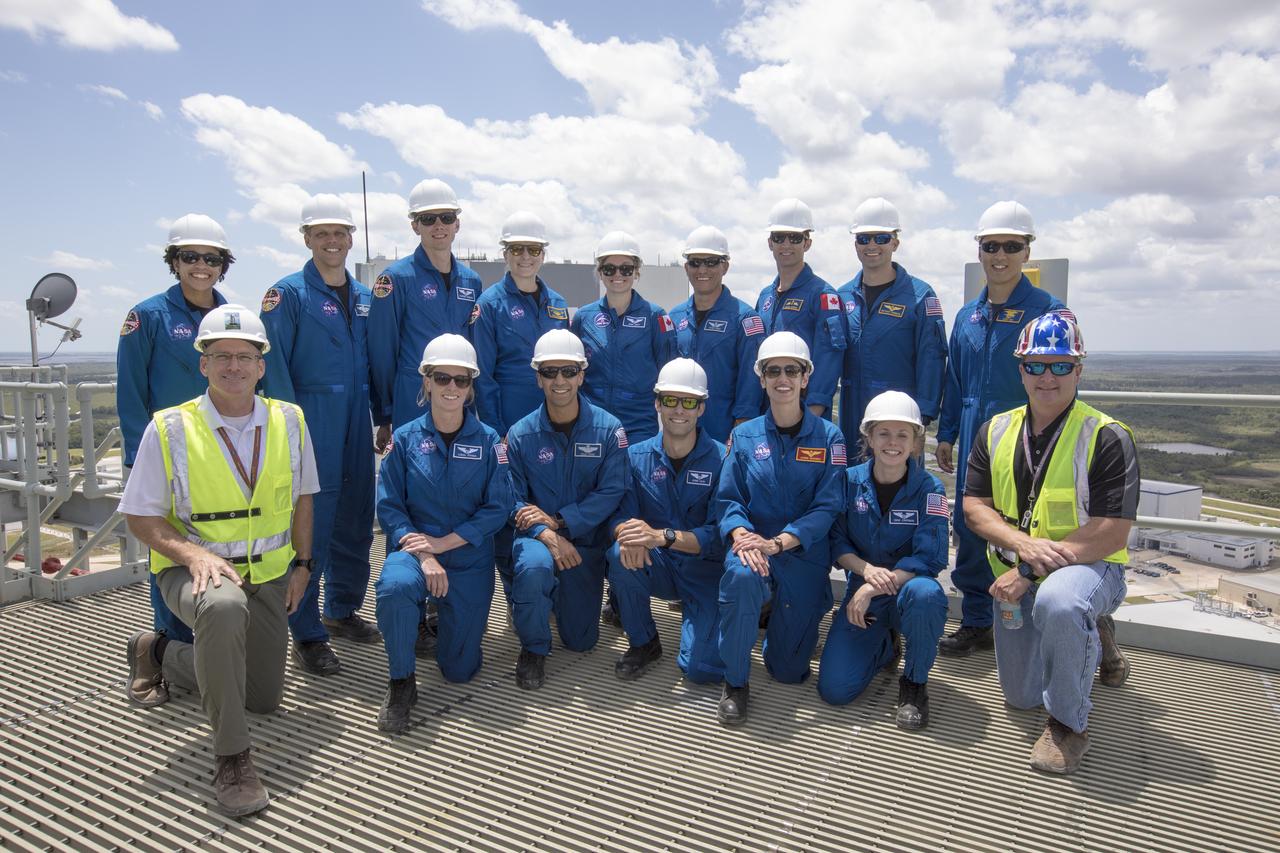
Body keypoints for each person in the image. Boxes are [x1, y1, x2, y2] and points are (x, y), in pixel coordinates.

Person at [121, 304, 319, 817]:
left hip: (270, 574)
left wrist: (302, 566)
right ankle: (233, 760)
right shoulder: (168, 429)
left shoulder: (290, 421)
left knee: (264, 698)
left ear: (262, 365)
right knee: (223, 610)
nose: (234, 366)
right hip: (195, 573)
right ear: (202, 364)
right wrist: (191, 555)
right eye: (221, 355)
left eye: (245, 356)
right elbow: (140, 518)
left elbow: (302, 499)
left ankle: (159, 652)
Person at [962, 311, 1136, 774]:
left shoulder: (1106, 437)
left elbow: (1111, 532)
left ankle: (1069, 724)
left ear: (1079, 370)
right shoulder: (996, 430)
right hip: (1020, 575)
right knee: (1020, 697)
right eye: (1036, 365)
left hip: (1089, 569)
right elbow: (974, 505)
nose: (1047, 376)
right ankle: (1093, 635)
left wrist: (1029, 568)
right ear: (1020, 369)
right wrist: (1021, 544)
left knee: (1061, 602)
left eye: (1060, 365)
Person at [935, 201, 1066, 657]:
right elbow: (954, 380)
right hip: (976, 432)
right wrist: (948, 432)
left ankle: (1037, 624)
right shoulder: (967, 316)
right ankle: (977, 622)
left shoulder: (1048, 312)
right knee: (971, 526)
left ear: (1027, 251)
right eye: (992, 246)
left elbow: (1061, 379)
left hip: (1028, 434)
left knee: (1028, 525)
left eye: (1012, 246)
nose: (1001, 255)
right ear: (980, 250)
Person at [259, 195, 378, 677]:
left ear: (351, 239)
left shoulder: (367, 298)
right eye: (322, 233)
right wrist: (290, 428)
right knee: (313, 523)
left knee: (356, 517)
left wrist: (384, 414)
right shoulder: (286, 295)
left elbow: (381, 359)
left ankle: (342, 609)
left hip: (359, 418)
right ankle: (306, 632)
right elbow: (273, 366)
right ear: (306, 238)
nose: (332, 241)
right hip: (311, 420)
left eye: (340, 233)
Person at [373, 334, 512, 732]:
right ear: (426, 381)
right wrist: (426, 554)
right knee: (395, 588)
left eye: (461, 380)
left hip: (468, 557)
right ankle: (401, 681)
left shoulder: (489, 442)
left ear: (471, 387)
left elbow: (498, 507)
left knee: (460, 671)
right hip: (415, 552)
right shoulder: (403, 440)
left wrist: (445, 544)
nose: (451, 387)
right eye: (442, 377)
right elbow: (390, 507)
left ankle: (437, 624)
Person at [716, 331, 846, 726]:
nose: (783, 378)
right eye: (774, 371)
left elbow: (828, 506)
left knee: (789, 672)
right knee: (740, 577)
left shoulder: (830, 437)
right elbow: (729, 500)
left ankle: (786, 616)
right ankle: (735, 683)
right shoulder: (744, 436)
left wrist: (779, 543)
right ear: (762, 378)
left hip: (802, 556)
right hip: (755, 550)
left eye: (792, 370)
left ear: (806, 377)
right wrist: (741, 536)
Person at [117, 213, 233, 645]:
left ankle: (214, 639)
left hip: (223, 449)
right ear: (174, 260)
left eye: (212, 258)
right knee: (168, 549)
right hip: (166, 451)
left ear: (224, 264)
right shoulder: (147, 316)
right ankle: (164, 646)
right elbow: (130, 392)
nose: (201, 266)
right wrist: (136, 459)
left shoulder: (232, 317)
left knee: (217, 540)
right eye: (190, 256)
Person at [504, 330, 630, 690]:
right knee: (533, 567)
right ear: (537, 377)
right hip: (537, 541)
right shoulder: (520, 434)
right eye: (549, 371)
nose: (559, 380)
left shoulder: (609, 431)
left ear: (582, 374)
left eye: (568, 370)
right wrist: (546, 534)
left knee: (581, 640)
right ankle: (532, 646)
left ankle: (546, 602)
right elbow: (509, 498)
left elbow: (612, 490)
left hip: (584, 545)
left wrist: (561, 521)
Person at [817, 391, 949, 729]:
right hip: (863, 593)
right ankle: (885, 648)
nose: (893, 442)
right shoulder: (848, 482)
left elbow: (930, 557)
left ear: (916, 442)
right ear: (870, 438)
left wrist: (872, 588)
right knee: (835, 689)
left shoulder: (929, 489)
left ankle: (914, 684)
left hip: (906, 592)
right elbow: (837, 540)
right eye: (884, 433)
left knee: (927, 595)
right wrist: (866, 574)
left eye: (903, 434)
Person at [606, 359, 727, 683]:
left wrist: (664, 536)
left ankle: (706, 619)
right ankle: (644, 642)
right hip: (657, 564)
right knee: (620, 554)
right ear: (657, 402)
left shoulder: (723, 459)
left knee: (701, 670)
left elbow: (720, 533)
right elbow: (620, 515)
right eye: (670, 400)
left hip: (706, 573)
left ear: (701, 408)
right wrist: (626, 534)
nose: (679, 410)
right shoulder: (635, 457)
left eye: (689, 402)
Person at [368, 178, 483, 434]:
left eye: (446, 217)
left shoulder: (471, 281)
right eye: (428, 219)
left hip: (459, 394)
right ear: (415, 225)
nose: (439, 225)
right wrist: (385, 412)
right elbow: (382, 351)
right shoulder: (396, 279)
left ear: (457, 223)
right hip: (413, 396)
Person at [836, 198, 947, 452]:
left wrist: (923, 419)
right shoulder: (842, 297)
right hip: (852, 416)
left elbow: (932, 359)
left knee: (901, 490)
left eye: (881, 238)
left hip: (900, 422)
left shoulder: (920, 297)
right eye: (864, 239)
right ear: (855, 244)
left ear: (895, 243)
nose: (872, 245)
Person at [570, 231, 677, 443]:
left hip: (639, 426)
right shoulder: (584, 317)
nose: (617, 274)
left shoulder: (655, 317)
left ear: (636, 272)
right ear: (600, 272)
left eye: (626, 268)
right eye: (609, 268)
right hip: (592, 424)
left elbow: (669, 373)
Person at [471, 211, 570, 437]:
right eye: (517, 249)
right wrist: (496, 430)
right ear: (505, 254)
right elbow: (483, 376)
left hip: (554, 413)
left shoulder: (558, 303)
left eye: (533, 250)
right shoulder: (489, 304)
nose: (526, 256)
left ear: (543, 255)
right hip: (509, 416)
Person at [668, 225, 765, 443]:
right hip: (680, 431)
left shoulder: (745, 319)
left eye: (711, 262)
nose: (702, 270)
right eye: (695, 262)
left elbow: (750, 384)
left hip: (724, 434)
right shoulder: (674, 318)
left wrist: (740, 432)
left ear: (725, 266)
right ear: (686, 267)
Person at [755, 198, 846, 418]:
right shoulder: (765, 296)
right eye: (779, 237)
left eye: (795, 238)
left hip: (804, 414)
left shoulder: (823, 296)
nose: (786, 244)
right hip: (767, 414)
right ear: (770, 243)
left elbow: (828, 360)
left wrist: (811, 415)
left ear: (807, 243)